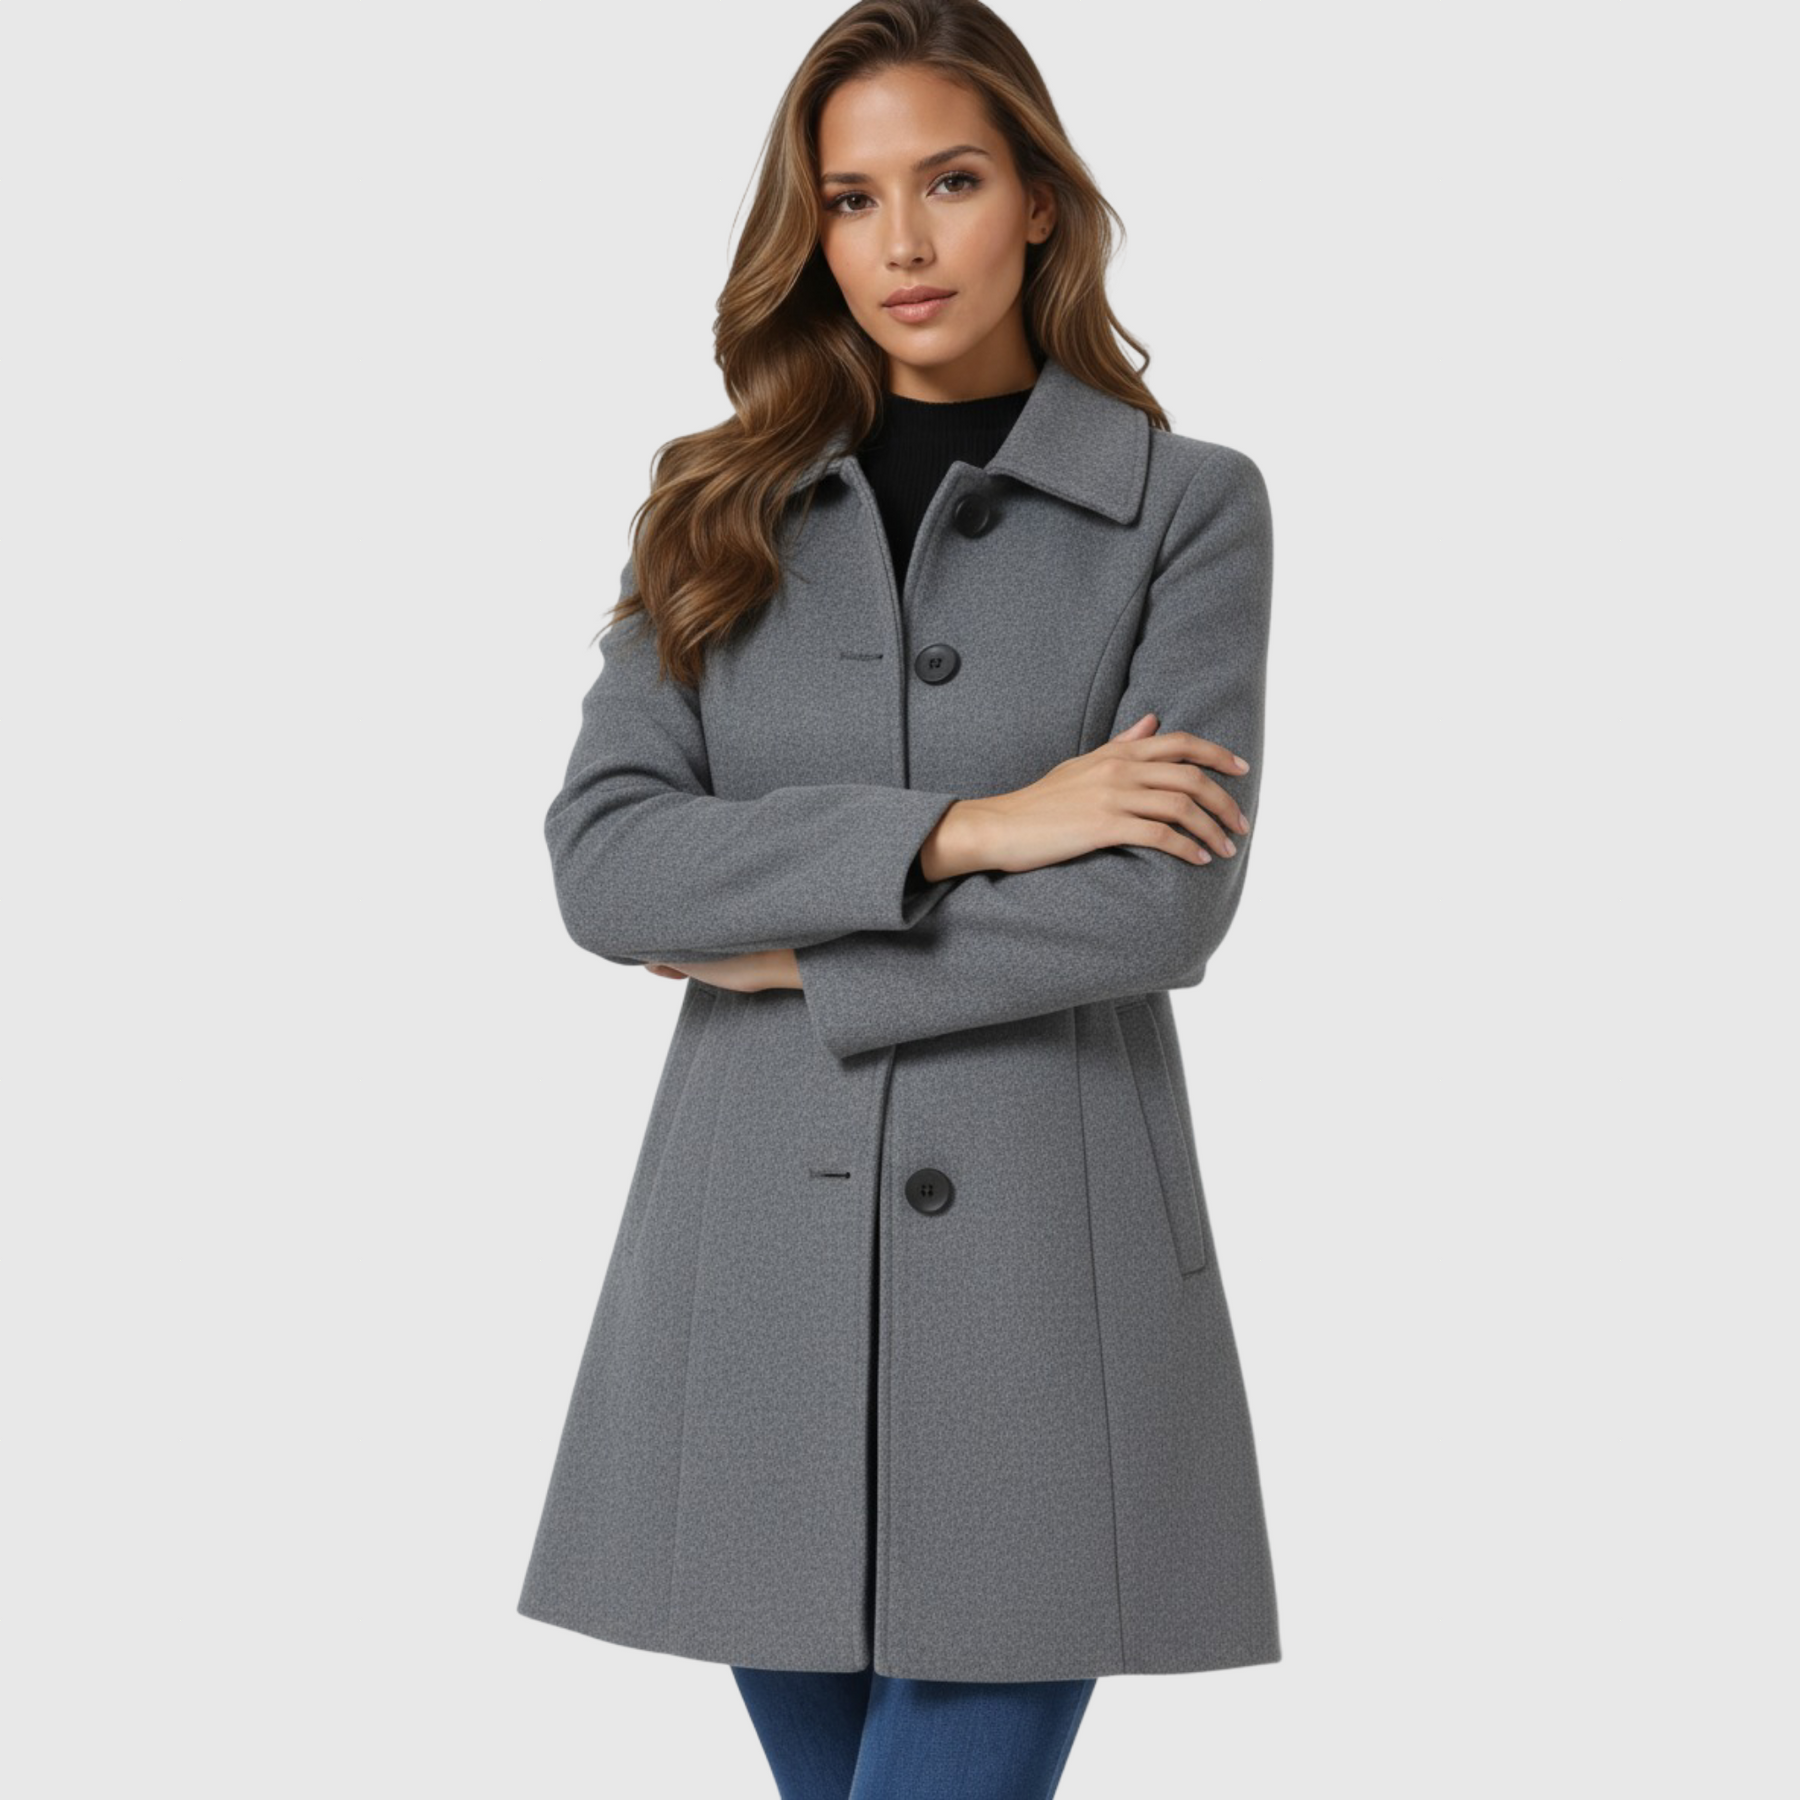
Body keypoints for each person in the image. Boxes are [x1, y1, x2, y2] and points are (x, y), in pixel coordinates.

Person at [518, 2, 1282, 1794]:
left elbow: (1158, 913)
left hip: (1046, 1282)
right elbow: (606, 863)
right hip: (753, 1289)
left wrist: (780, 950)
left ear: (1038, 198)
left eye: (950, 181)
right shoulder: (713, 506)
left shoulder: (1184, 508)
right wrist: (972, 831)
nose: (902, 244)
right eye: (853, 200)